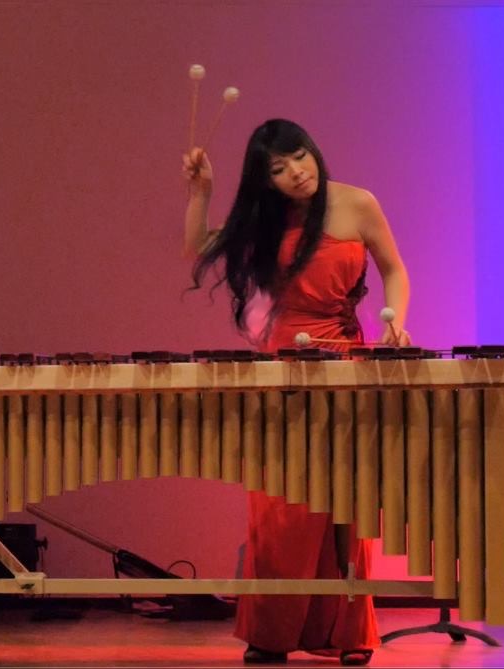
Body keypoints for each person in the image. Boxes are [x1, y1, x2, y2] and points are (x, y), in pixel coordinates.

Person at [182, 118, 410, 666]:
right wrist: (202, 193)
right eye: (279, 169)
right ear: (267, 181)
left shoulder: (357, 203)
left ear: (313, 150)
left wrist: (396, 322)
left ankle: (349, 633)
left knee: (343, 502)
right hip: (281, 365)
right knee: (281, 503)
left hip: (344, 362)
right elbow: (198, 247)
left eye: (300, 157)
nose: (297, 173)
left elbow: (395, 270)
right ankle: (271, 632)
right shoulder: (266, 219)